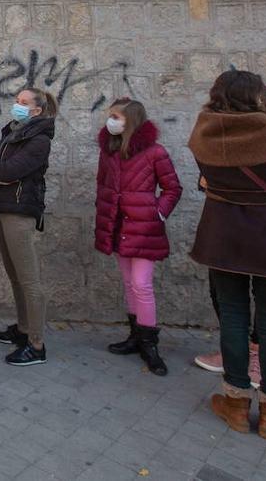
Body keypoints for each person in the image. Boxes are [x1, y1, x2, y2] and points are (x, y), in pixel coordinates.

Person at [189, 70, 266, 440]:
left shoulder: (205, 132)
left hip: (223, 235)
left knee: (233, 318)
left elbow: (207, 178)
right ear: (257, 94)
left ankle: (237, 403)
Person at [95, 98, 183, 376]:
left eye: (117, 116)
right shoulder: (109, 151)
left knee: (141, 284)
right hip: (120, 226)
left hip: (144, 228)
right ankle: (135, 335)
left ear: (131, 120)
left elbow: (172, 188)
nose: (111, 121)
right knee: (128, 283)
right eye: (110, 116)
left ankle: (149, 343)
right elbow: (102, 183)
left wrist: (158, 214)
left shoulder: (155, 152)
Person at [0, 87, 57, 367]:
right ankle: (23, 329)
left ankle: (36, 344)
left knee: (29, 280)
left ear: (37, 110)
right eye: (17, 100)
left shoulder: (39, 141)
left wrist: (1, 173)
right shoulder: (12, 132)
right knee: (15, 276)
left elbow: (7, 171)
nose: (17, 105)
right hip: (3, 206)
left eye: (24, 102)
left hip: (20, 212)